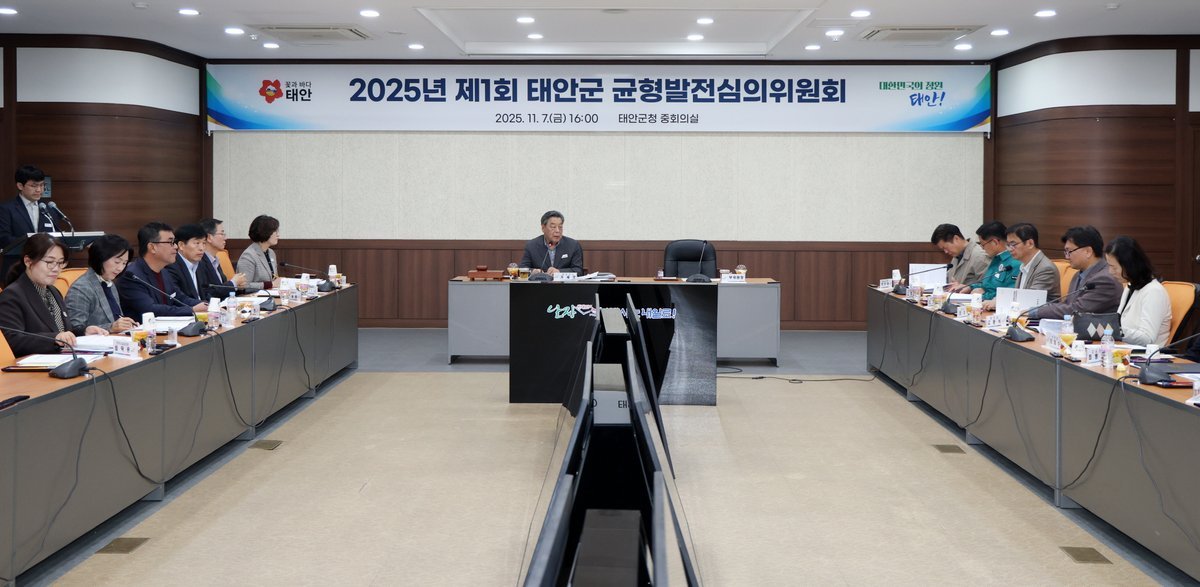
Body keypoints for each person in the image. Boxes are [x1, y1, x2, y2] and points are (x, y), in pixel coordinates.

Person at [0, 233, 106, 356]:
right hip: (34, 364)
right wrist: (54, 338)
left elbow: (62, 330)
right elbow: (11, 340)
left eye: (60, 263)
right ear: (28, 261)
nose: (56, 269)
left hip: (62, 358)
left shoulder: (53, 291)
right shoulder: (12, 295)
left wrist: (84, 332)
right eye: (50, 262)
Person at [1026, 226, 1122, 320]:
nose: (1067, 257)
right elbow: (1066, 304)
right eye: (1066, 252)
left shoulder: (1105, 279)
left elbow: (1077, 310)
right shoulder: (1078, 275)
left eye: (1069, 251)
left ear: (1088, 251)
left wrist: (1034, 312)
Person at [118, 222, 206, 317]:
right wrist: (192, 310)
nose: (176, 246)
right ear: (152, 247)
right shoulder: (132, 276)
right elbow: (150, 309)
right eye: (170, 242)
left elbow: (181, 298)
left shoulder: (164, 272)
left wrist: (207, 305)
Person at [1103, 236, 1171, 346]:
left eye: (1114, 267)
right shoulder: (1130, 286)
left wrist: (1116, 330)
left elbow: (1147, 338)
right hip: (1125, 349)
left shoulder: (1154, 292)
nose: (1110, 272)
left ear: (1129, 265)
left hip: (1145, 354)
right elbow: (1119, 322)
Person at [65, 234, 139, 334]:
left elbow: (115, 318)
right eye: (117, 262)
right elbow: (75, 329)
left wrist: (126, 324)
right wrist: (111, 327)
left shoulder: (110, 283)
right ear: (100, 258)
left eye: (124, 263)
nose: (120, 268)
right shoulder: (81, 288)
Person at [0, 165, 58, 277]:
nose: (39, 190)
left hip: (45, 270)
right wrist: (33, 244)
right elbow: (4, 238)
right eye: (34, 186)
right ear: (20, 186)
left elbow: (55, 235)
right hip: (17, 269)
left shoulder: (49, 209)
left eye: (42, 185)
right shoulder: (6, 209)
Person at [963, 221, 1020, 306]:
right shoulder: (995, 258)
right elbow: (987, 284)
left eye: (983, 245)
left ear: (995, 242)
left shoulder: (1015, 262)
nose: (982, 248)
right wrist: (971, 287)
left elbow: (1009, 294)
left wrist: (983, 295)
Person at [167, 223, 225, 301]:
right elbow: (178, 299)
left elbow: (206, 293)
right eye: (197, 243)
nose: (201, 248)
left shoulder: (201, 264)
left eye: (204, 243)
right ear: (181, 245)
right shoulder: (172, 267)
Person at [1005, 222, 1061, 298]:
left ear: (1030, 243)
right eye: (1008, 245)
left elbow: (1031, 299)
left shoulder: (1046, 268)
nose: (1009, 249)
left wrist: (999, 301)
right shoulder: (1024, 265)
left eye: (1013, 244)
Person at [519, 210, 583, 275]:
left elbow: (578, 270)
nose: (557, 231)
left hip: (563, 281)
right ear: (543, 228)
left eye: (560, 227)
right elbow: (522, 268)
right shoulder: (532, 246)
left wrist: (559, 272)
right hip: (541, 281)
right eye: (553, 227)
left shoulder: (573, 245)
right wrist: (533, 271)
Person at [930, 223, 988, 290]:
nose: (945, 252)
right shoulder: (957, 255)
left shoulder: (979, 255)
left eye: (945, 247)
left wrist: (966, 287)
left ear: (956, 239)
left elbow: (988, 285)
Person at [199, 217, 247, 292]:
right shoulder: (200, 261)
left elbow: (221, 289)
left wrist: (238, 287)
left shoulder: (215, 259)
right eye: (222, 234)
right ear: (209, 238)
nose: (225, 238)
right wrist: (233, 283)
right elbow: (208, 292)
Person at [237, 215, 280, 291]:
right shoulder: (248, 256)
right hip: (252, 297)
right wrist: (270, 284)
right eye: (275, 232)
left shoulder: (271, 253)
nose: (278, 235)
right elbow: (243, 286)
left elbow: (274, 279)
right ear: (265, 232)